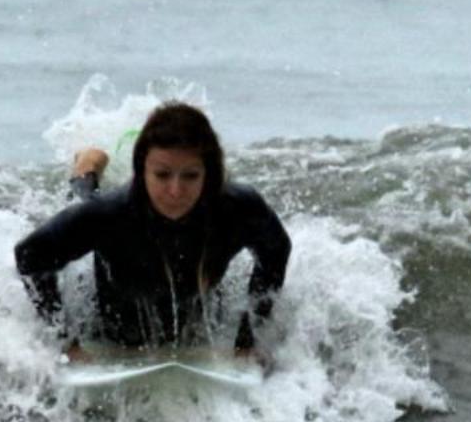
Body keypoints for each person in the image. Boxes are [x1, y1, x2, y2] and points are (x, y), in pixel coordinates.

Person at [14, 103, 289, 359]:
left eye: (191, 176)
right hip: (114, 323)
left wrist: (248, 337)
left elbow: (276, 251)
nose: (175, 191)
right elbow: (30, 255)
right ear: (142, 171)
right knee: (86, 202)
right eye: (162, 175)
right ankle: (86, 167)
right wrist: (66, 340)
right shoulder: (110, 214)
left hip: (195, 313)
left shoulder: (239, 208)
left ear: (208, 174)